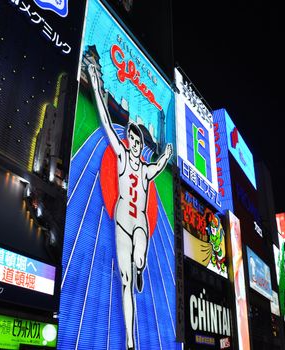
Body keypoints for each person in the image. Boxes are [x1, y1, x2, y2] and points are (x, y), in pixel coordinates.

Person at [87, 63, 172, 350]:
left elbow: (159, 166)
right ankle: (130, 339)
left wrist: (167, 154)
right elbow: (108, 126)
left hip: (140, 224)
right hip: (123, 220)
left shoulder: (146, 170)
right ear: (130, 141)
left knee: (138, 260)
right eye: (133, 140)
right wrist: (96, 86)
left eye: (138, 141)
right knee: (125, 283)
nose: (135, 144)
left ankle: (140, 267)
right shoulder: (122, 156)